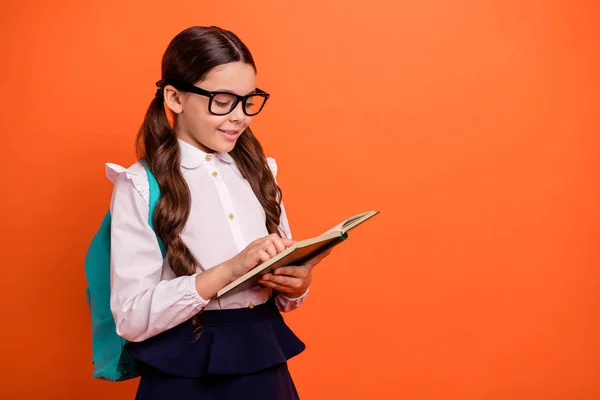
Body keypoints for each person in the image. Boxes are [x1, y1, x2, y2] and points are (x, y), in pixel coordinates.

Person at [106, 25, 331, 399]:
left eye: (248, 101)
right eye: (223, 100)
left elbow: (282, 282)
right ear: (175, 98)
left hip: (263, 363)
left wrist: (296, 283)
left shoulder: (260, 173)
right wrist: (229, 270)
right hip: (182, 372)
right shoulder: (141, 186)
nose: (240, 116)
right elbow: (131, 316)